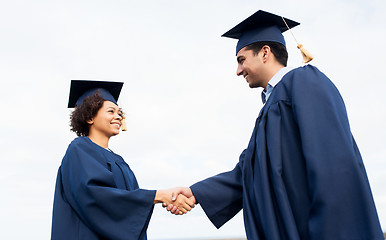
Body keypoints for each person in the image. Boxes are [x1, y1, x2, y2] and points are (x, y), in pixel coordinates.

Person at [167, 10, 384, 239]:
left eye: (241, 60)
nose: (238, 71)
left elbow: (334, 165)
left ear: (264, 53)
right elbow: (247, 173)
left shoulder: (304, 82)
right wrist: (196, 193)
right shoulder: (270, 108)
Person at [51, 80, 194, 240]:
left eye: (119, 113)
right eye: (111, 111)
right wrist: (158, 196)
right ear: (90, 116)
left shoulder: (118, 159)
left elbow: (127, 204)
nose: (118, 116)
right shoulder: (80, 148)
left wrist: (163, 198)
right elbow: (94, 197)